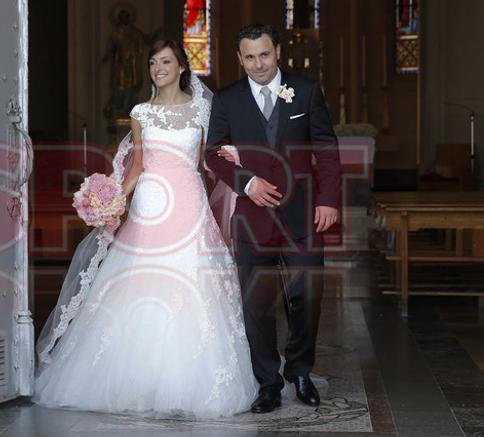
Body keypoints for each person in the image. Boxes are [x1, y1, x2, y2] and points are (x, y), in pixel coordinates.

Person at [33, 40, 258, 419]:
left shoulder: (204, 109)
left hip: (188, 202)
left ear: (183, 67)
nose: (158, 68)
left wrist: (237, 170)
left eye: (166, 61)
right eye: (153, 62)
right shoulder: (141, 112)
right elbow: (137, 166)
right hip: (149, 204)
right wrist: (112, 200)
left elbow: (211, 160)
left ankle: (189, 381)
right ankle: (135, 380)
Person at [205, 24, 341, 414]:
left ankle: (299, 372)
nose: (258, 64)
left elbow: (327, 151)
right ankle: (267, 383)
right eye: (249, 57)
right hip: (252, 220)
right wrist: (245, 183)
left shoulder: (307, 91)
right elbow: (213, 154)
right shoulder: (228, 99)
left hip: (302, 216)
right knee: (256, 304)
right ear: (239, 58)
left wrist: (329, 200)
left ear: (277, 51)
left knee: (306, 297)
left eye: (264, 54)